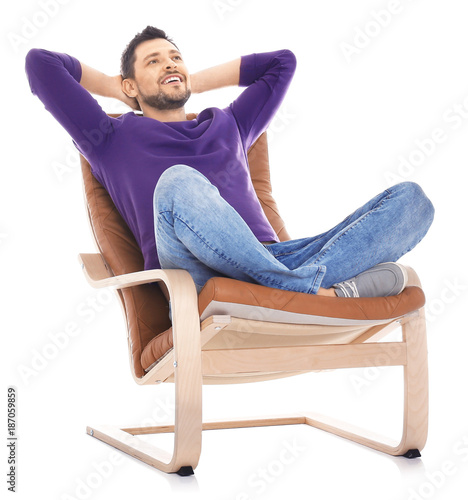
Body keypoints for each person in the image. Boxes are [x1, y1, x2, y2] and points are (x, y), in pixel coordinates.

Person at [25, 26, 434, 298]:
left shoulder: (230, 124)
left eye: (175, 57)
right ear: (130, 85)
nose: (169, 63)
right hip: (194, 277)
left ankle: (302, 290)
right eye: (154, 61)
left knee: (412, 201)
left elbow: (282, 63)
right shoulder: (110, 138)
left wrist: (188, 81)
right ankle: (310, 293)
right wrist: (119, 89)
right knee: (178, 181)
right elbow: (40, 64)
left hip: (276, 257)